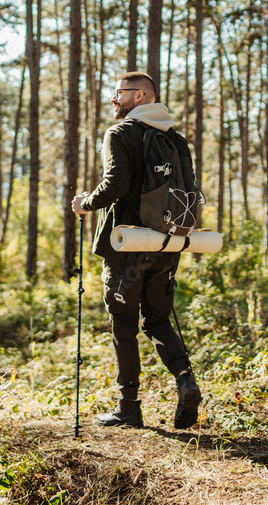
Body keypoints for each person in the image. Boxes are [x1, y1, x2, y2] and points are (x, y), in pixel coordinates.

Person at [71, 71, 201, 430]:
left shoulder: (120, 132)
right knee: (157, 320)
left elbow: (115, 184)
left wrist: (86, 202)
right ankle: (185, 378)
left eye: (118, 94)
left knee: (124, 327)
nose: (114, 100)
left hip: (126, 244)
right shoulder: (176, 139)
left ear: (140, 96)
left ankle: (129, 408)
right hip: (166, 243)